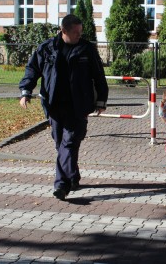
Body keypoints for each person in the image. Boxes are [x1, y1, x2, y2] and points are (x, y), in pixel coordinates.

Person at [19, 14, 108, 201]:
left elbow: (99, 75)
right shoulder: (47, 48)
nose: (79, 35)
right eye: (75, 32)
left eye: (80, 32)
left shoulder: (86, 49)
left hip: (79, 105)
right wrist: (26, 90)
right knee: (61, 143)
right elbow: (32, 69)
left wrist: (101, 100)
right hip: (54, 105)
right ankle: (73, 176)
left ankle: (61, 185)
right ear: (64, 31)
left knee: (69, 143)